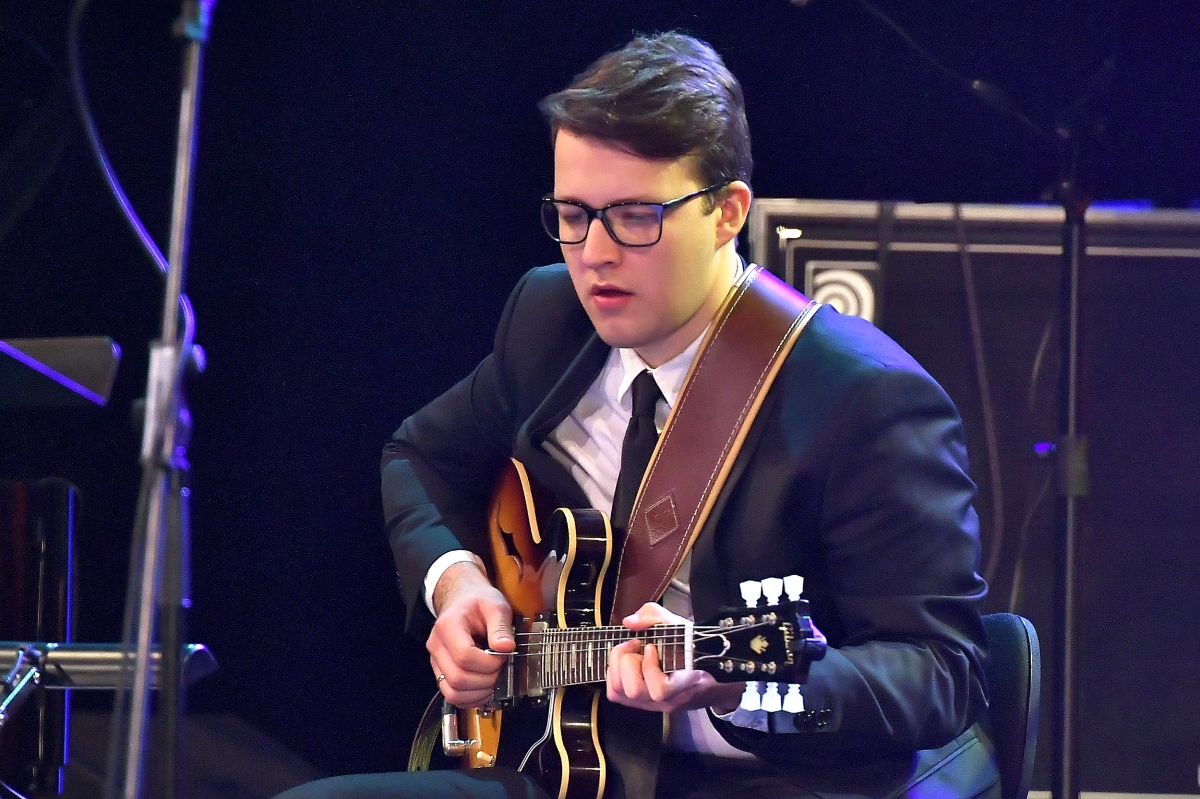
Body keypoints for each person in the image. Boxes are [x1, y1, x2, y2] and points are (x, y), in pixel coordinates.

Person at [279, 31, 1000, 799]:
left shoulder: (865, 398)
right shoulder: (549, 318)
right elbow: (418, 458)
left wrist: (739, 686)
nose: (594, 252)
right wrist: (456, 585)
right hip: (570, 766)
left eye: (633, 216)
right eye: (572, 214)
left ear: (727, 212)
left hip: (776, 779)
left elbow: (942, 671)